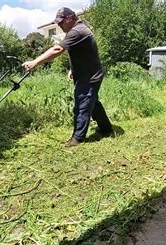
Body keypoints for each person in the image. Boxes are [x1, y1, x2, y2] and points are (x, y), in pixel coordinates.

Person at [22, 7, 113, 147]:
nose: (58, 25)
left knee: (82, 105)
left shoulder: (77, 31)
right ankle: (106, 129)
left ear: (70, 18)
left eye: (61, 22)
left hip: (89, 76)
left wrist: (35, 62)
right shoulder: (78, 29)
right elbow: (83, 53)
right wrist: (72, 69)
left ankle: (77, 138)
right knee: (93, 103)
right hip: (90, 74)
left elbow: (57, 49)